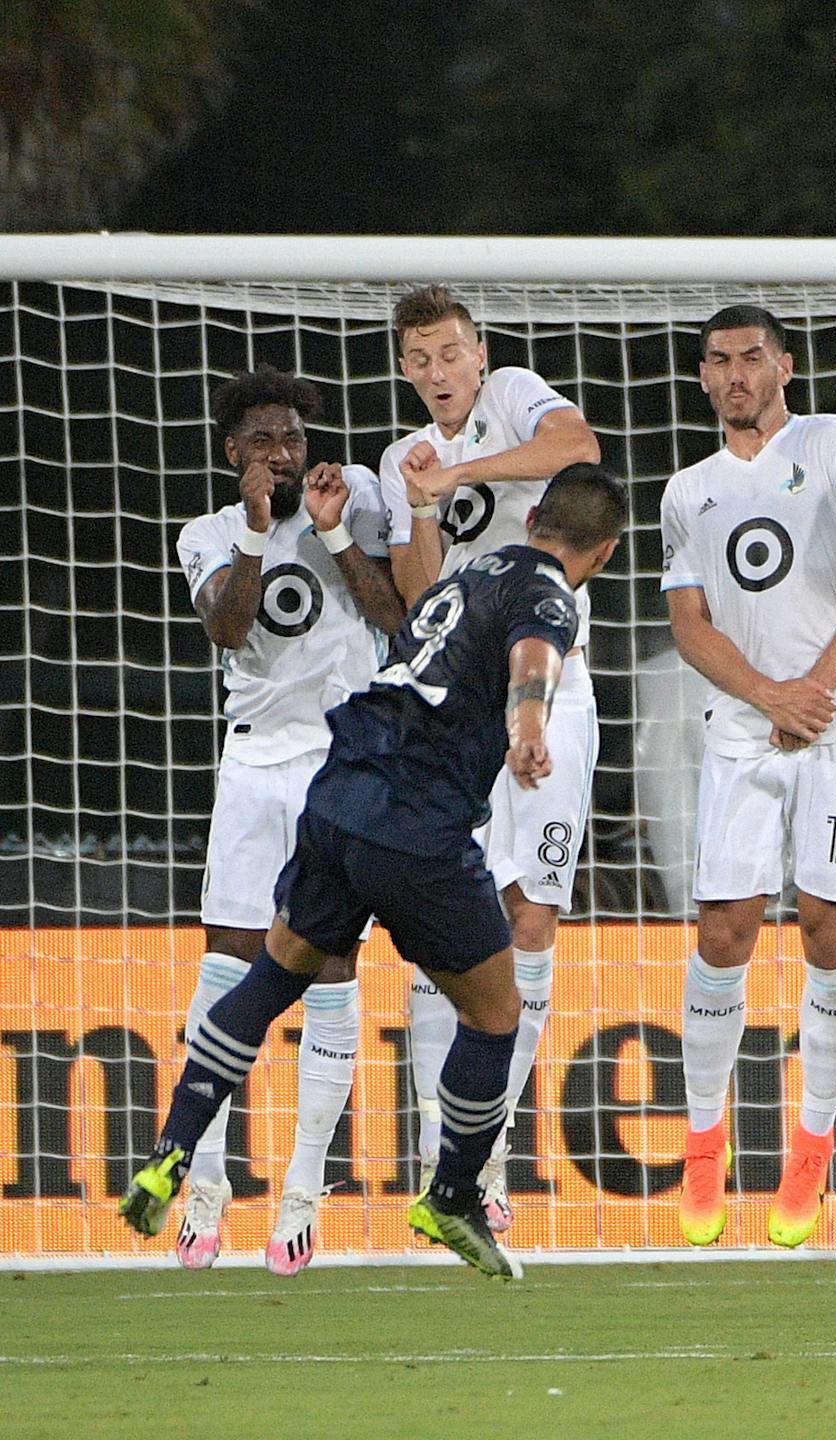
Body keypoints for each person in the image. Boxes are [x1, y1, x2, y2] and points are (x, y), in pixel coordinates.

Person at [121, 463, 629, 1281]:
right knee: (497, 1013)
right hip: (418, 822)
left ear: (533, 516)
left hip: (341, 791)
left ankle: (171, 1152)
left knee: (274, 975)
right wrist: (529, 724)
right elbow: (536, 655)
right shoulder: (552, 594)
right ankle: (454, 1194)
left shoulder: (466, 576)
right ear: (601, 553)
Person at [659, 304, 836, 1247]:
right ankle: (703, 1144)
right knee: (724, 931)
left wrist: (815, 690)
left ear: (785, 366)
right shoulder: (688, 490)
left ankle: (809, 1151)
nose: (735, 375)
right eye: (718, 361)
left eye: (751, 358)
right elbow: (690, 625)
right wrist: (772, 697)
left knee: (826, 923)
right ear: (702, 377)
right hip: (742, 734)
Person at [170, 368, 405, 1275]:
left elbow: (396, 620)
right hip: (256, 764)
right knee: (229, 963)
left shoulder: (350, 506)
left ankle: (305, 1186)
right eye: (264, 440)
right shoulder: (210, 536)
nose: (283, 453)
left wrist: (337, 529)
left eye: (294, 439)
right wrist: (266, 532)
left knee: (332, 964)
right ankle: (205, 1181)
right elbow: (230, 628)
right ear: (234, 452)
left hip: (339, 764)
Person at [379, 285, 603, 1233]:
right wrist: (423, 499)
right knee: (453, 924)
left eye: (449, 353)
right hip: (460, 714)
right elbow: (420, 592)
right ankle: (454, 1157)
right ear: (403, 370)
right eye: (420, 360)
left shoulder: (513, 395)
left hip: (557, 688)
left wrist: (460, 474)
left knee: (536, 916)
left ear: (479, 354)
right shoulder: (400, 459)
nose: (438, 373)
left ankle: (492, 1151)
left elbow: (579, 450)